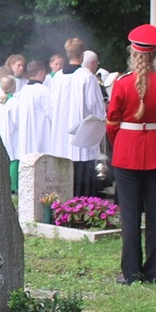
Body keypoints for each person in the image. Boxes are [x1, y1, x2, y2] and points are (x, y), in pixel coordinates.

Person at [106, 25, 156, 285]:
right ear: (155, 55)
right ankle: (152, 272)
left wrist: (123, 143)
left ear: (133, 54)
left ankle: (132, 272)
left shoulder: (122, 83)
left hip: (127, 151)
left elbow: (112, 124)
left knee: (130, 215)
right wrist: (155, 140)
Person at [48, 38, 107, 196]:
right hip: (82, 139)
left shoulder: (57, 77)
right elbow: (97, 108)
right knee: (82, 184)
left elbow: (51, 107)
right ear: (82, 54)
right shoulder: (87, 77)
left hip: (61, 138)